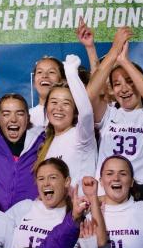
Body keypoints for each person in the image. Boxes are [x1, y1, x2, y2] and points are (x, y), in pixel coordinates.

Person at [86, 27, 143, 184]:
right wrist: (114, 49)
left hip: (142, 192)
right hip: (107, 192)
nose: (123, 89)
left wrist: (124, 61)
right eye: (117, 84)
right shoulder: (108, 115)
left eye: (130, 81)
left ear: (140, 82)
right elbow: (91, 93)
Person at [7, 158, 83, 248]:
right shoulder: (24, 207)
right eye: (41, 179)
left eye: (53, 177)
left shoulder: (74, 217)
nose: (46, 183)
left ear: (67, 181)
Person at [0, 94, 44, 211]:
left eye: (20, 114)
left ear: (28, 118)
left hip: (27, 219)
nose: (13, 119)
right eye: (6, 114)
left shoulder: (42, 140)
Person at [36, 54, 97, 183]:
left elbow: (86, 112)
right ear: (46, 108)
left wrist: (71, 72)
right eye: (54, 102)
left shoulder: (81, 135)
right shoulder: (47, 143)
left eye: (66, 103)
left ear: (75, 111)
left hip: (80, 202)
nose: (59, 108)